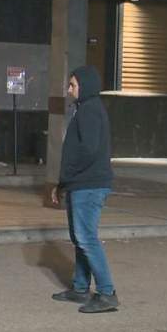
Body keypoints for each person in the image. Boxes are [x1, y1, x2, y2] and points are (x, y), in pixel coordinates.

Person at [50, 66, 120, 314]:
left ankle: (107, 292)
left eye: (73, 85)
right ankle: (80, 288)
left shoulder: (90, 111)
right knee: (80, 238)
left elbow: (87, 151)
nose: (69, 90)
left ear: (85, 86)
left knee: (86, 238)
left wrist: (65, 177)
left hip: (88, 185)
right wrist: (64, 183)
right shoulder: (86, 109)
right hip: (81, 183)